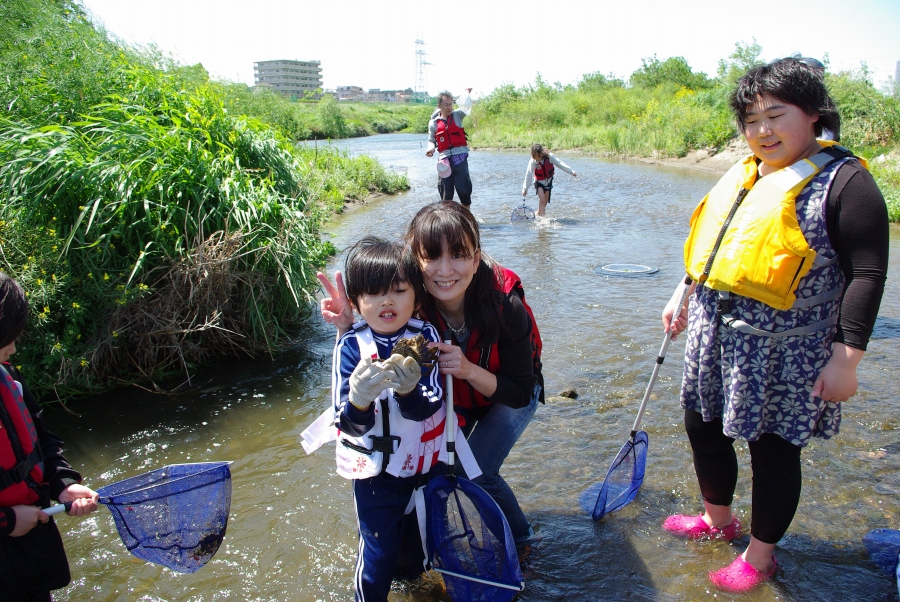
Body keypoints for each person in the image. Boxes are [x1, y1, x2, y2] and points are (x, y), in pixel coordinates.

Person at [661, 57, 888, 593]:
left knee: (772, 447)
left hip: (786, 350)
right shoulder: (747, 172)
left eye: (776, 115)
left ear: (812, 114)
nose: (761, 131)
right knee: (702, 426)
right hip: (714, 335)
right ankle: (718, 521)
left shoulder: (846, 182)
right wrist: (683, 290)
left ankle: (760, 557)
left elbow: (868, 274)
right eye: (751, 120)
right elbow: (719, 245)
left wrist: (845, 358)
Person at [317, 203, 543, 551]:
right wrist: (347, 324)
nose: (445, 270)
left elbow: (520, 393)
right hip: (456, 396)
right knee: (434, 466)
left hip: (509, 392)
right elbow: (371, 340)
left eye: (458, 255)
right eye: (431, 257)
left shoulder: (505, 305)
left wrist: (467, 369)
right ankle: (418, 551)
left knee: (477, 469)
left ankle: (523, 540)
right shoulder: (411, 297)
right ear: (415, 260)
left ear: (476, 257)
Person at [303, 237, 476, 602]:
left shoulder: (424, 336)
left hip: (421, 467)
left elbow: (429, 405)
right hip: (374, 474)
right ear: (356, 302)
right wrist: (360, 400)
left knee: (420, 549)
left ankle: (419, 584)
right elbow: (347, 424)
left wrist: (409, 389)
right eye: (374, 294)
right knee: (377, 555)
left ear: (416, 296)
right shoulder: (350, 345)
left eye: (399, 290)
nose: (387, 302)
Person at [0, 272, 99, 601]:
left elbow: (41, 439)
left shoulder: (8, 376)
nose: (13, 347)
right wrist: (6, 520)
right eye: (6, 337)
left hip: (27, 555)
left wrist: (63, 483)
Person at [426, 89, 474, 205]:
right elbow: (431, 140)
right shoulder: (434, 123)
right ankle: (448, 220)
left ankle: (467, 218)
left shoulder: (458, 115)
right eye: (446, 105)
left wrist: (466, 93)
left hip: (460, 159)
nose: (449, 107)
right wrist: (430, 149)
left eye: (450, 104)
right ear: (439, 106)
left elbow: (466, 105)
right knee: (446, 195)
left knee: (464, 192)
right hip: (444, 161)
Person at [521, 143, 577, 217]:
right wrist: (525, 188)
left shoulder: (549, 157)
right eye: (535, 157)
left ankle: (537, 213)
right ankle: (543, 220)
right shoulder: (533, 161)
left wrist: (571, 171)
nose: (537, 159)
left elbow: (559, 163)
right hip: (539, 182)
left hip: (548, 182)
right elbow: (529, 174)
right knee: (542, 200)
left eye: (538, 157)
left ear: (541, 153)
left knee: (545, 202)